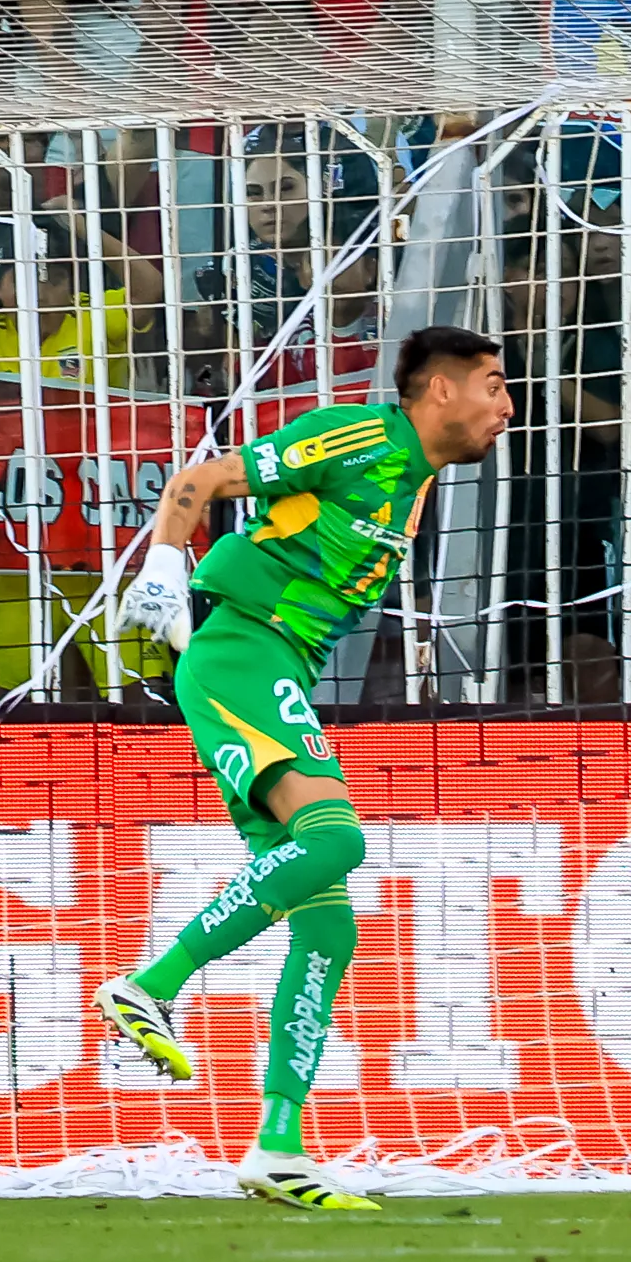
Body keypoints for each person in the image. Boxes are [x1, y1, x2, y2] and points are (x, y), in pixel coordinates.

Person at [97, 328, 517, 1211]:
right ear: (437, 391)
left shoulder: (417, 481)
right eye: (492, 385)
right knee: (337, 840)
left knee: (331, 930)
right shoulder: (364, 438)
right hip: (244, 654)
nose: (506, 407)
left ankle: (276, 1147)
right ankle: (152, 982)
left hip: (270, 666)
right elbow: (201, 481)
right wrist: (168, 569)